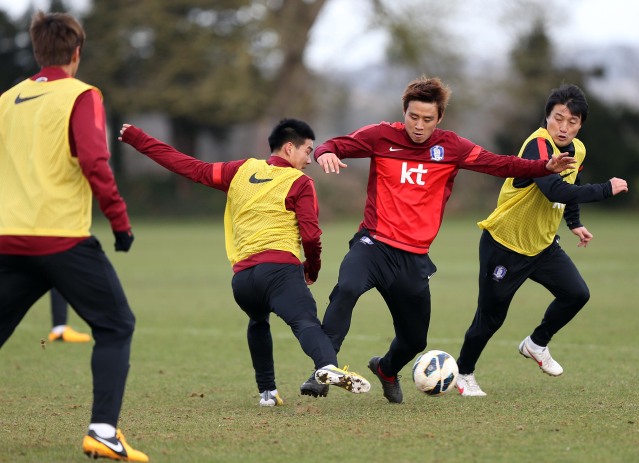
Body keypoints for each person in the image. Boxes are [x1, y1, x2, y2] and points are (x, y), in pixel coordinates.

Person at [312, 75, 577, 404]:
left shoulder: (452, 147)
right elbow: (334, 145)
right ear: (403, 112)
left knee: (414, 340)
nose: (419, 126)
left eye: (427, 119)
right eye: (413, 117)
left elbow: (500, 164)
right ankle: (324, 368)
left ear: (439, 119)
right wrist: (324, 152)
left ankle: (387, 369)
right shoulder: (381, 137)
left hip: (413, 259)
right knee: (347, 287)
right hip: (373, 245)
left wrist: (544, 167)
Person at [118, 119, 370, 406]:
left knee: (258, 321)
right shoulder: (300, 183)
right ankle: (325, 365)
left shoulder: (240, 170)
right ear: (289, 148)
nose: (309, 160)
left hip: (243, 280)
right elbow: (311, 236)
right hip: (280, 272)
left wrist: (138, 138)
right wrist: (311, 270)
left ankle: (267, 393)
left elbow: (187, 166)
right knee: (304, 322)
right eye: (307, 151)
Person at [0, 11, 147, 462]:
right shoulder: (81, 95)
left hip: (8, 240)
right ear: (77, 52)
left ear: (36, 49)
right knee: (116, 325)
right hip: (60, 239)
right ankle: (103, 432)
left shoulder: (7, 99)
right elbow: (96, 163)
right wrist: (120, 224)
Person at [455, 84, 628, 396]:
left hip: (542, 245)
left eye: (572, 122)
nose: (563, 127)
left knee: (576, 293)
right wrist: (605, 189)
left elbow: (570, 184)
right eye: (558, 118)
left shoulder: (578, 150)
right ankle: (463, 374)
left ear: (580, 125)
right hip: (505, 244)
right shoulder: (538, 145)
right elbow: (554, 190)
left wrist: (574, 223)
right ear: (546, 117)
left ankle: (536, 343)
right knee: (491, 317)